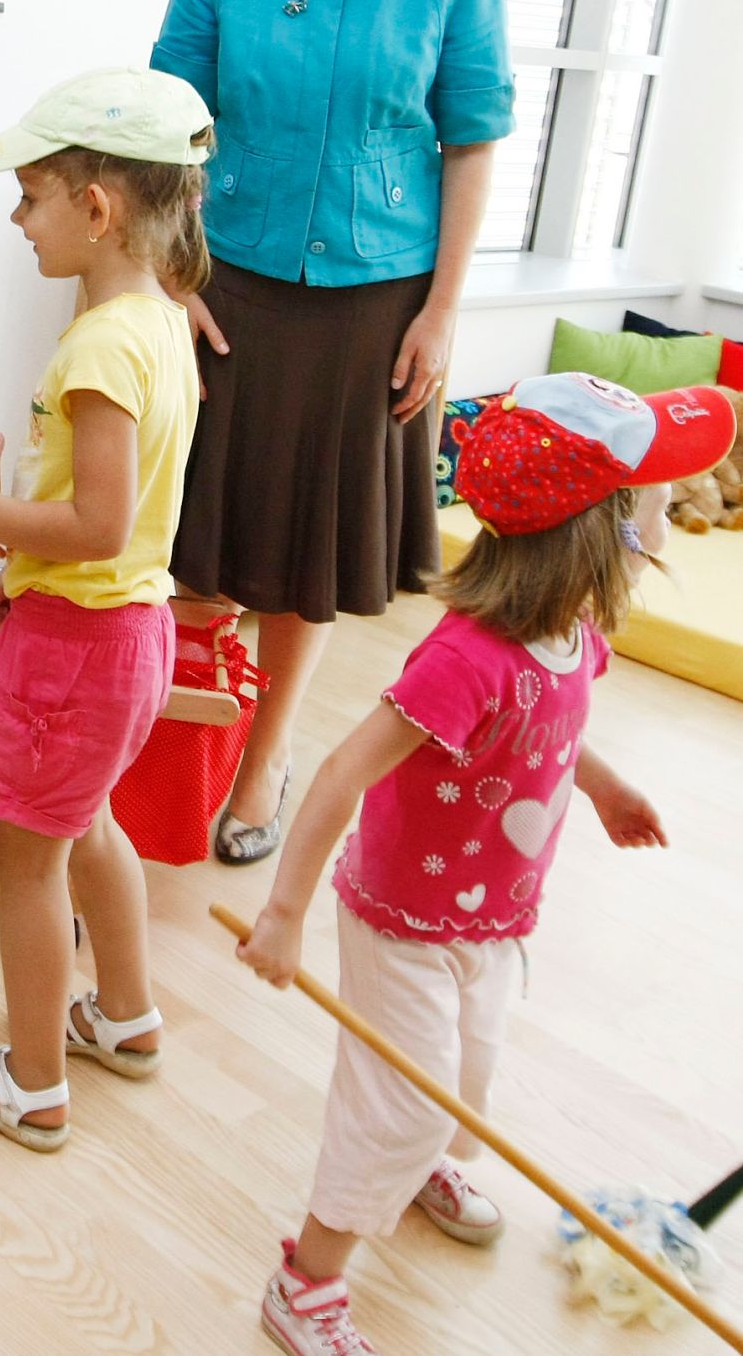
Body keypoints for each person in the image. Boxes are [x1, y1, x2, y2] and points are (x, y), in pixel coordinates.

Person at [238, 372, 734, 1356]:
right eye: (645, 502)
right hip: (403, 922)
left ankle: (424, 1158)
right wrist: (284, 912)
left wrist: (596, 786)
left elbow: (551, 727)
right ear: (590, 529)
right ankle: (305, 1281)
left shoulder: (571, 635)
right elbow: (340, 769)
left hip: (495, 918)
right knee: (393, 1107)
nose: (662, 520)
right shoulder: (463, 658)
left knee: (468, 1075)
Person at [149, 0, 515, 865]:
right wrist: (172, 273)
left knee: (303, 558)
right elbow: (167, 121)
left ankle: (260, 764)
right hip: (229, 281)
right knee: (193, 542)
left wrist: (444, 310)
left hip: (374, 301)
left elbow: (469, 141)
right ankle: (170, 755)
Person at [0, 66, 211, 1149]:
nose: (15, 214)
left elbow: (92, 520)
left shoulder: (95, 346)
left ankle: (31, 1083)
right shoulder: (162, 323)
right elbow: (123, 530)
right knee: (86, 822)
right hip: (130, 629)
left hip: (75, 644)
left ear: (95, 210)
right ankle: (124, 1018)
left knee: (26, 861)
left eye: (33, 194)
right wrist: (19, 572)